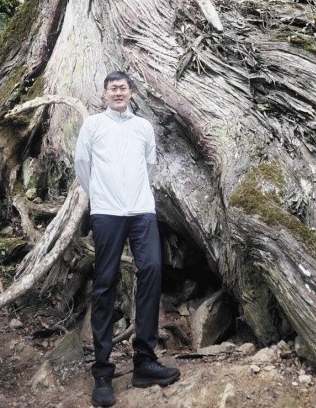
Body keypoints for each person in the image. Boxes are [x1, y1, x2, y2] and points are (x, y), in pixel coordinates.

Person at [75, 71, 181, 407]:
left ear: (131, 93)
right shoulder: (93, 125)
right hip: (106, 211)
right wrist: (100, 197)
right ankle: (103, 371)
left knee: (151, 271)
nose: (118, 92)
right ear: (104, 93)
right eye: (112, 88)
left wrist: (136, 196)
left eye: (123, 88)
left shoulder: (143, 127)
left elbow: (149, 165)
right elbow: (82, 164)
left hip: (141, 210)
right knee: (105, 281)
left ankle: (144, 361)